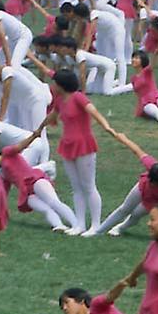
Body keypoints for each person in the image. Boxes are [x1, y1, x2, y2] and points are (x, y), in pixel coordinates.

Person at [45, 68, 119, 237]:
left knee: (88, 186)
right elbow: (53, 115)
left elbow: (93, 111)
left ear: (61, 85)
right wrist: (39, 129)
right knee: (76, 187)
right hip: (67, 144)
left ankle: (95, 225)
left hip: (83, 145)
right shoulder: (60, 100)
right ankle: (79, 224)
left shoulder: (78, 97)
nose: (53, 85)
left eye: (55, 82)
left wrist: (107, 127)